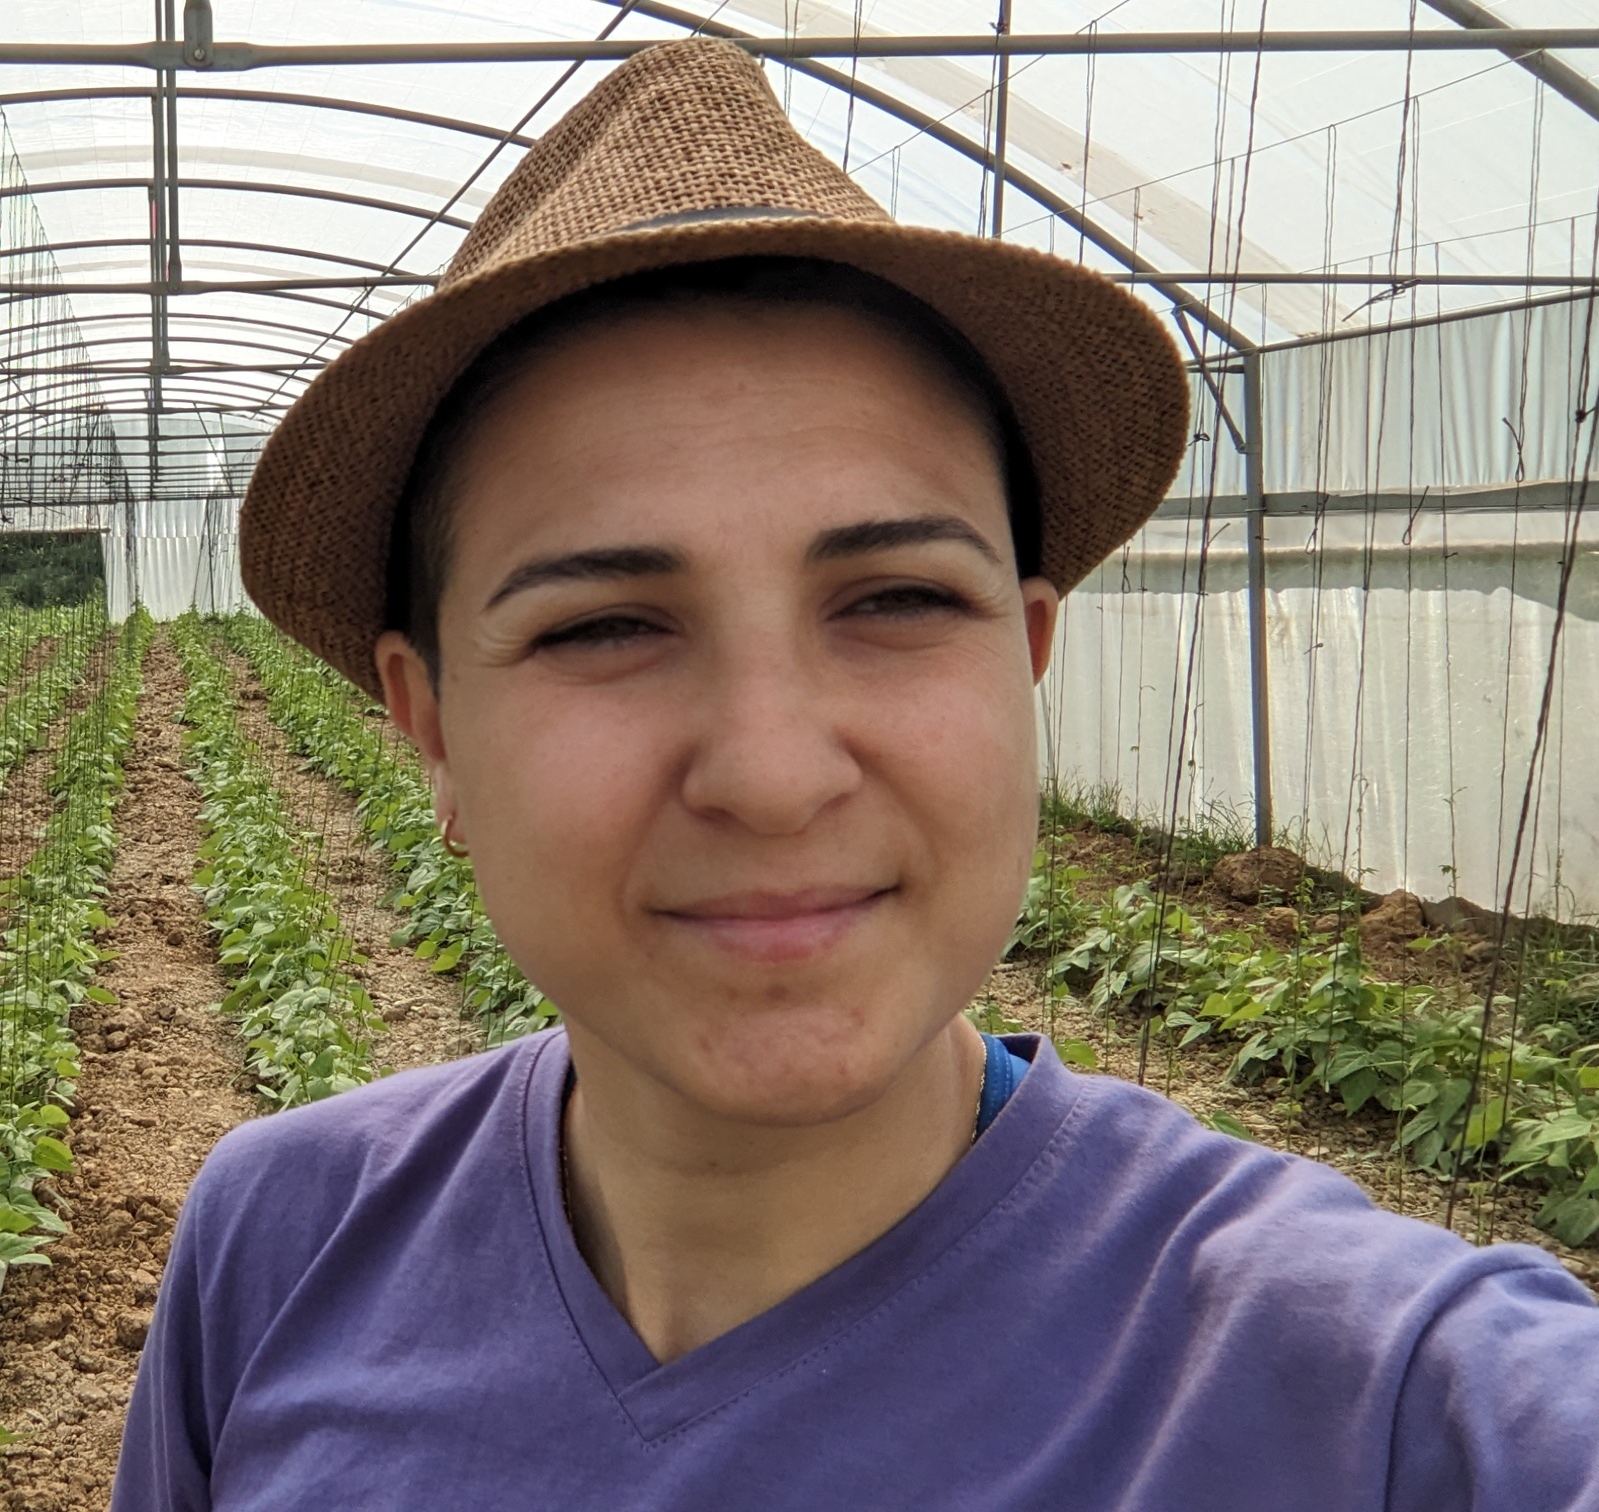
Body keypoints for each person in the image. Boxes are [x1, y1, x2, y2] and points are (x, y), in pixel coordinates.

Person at [110, 37, 1599, 1512]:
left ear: (1023, 657)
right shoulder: (280, 1246)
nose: (770, 775)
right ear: (425, 725)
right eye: (607, 626)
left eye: (895, 601)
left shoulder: (1400, 1407)